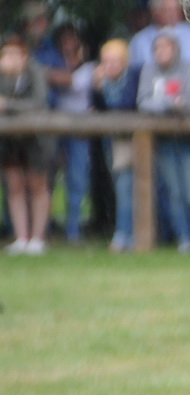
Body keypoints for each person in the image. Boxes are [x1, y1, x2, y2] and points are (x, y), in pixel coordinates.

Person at [137, 32, 190, 252]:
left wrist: (162, 103)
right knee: (175, 194)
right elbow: (143, 102)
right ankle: (184, 239)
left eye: (165, 48)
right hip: (165, 141)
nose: (160, 52)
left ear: (175, 49)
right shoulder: (149, 70)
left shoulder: (188, 68)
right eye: (157, 48)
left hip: (189, 140)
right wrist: (169, 103)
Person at [0, 34, 53, 253]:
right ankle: (21, 237)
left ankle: (38, 239)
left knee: (38, 186)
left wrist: (8, 105)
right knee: (14, 188)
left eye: (15, 53)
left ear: (24, 56)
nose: (10, 58)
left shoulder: (36, 72)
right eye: (6, 54)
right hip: (9, 139)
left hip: (35, 138)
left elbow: (38, 102)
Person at [92, 38, 137, 251]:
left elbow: (125, 105)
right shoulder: (103, 82)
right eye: (106, 61)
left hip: (132, 143)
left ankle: (124, 236)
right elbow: (98, 108)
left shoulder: (133, 77)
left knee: (127, 189)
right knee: (121, 189)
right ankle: (125, 234)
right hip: (112, 142)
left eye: (115, 60)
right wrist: (98, 89)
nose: (110, 65)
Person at [51, 25, 95, 242]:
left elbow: (73, 81)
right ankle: (48, 227)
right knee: (48, 178)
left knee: (78, 180)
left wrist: (43, 72)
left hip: (79, 130)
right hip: (54, 129)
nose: (68, 44)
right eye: (64, 40)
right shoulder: (53, 61)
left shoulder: (90, 68)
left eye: (72, 40)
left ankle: (73, 228)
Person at [127, 0, 190, 78]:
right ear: (155, 12)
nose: (173, 14)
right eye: (167, 10)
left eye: (176, 9)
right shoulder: (140, 40)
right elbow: (133, 71)